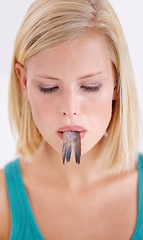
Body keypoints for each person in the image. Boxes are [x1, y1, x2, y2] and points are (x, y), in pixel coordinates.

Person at [0, 0, 142, 239]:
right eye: (49, 88)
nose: (70, 110)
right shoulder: (4, 202)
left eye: (90, 86)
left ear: (116, 83)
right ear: (24, 82)